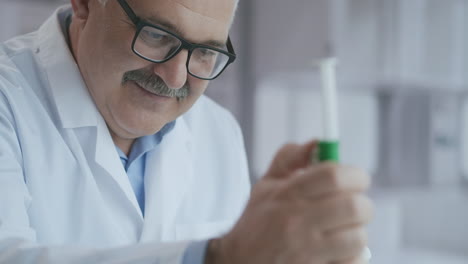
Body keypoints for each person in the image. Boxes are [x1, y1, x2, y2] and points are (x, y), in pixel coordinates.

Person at [0, 0, 373, 263]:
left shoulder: (218, 131)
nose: (176, 76)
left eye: (206, 52)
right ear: (84, 3)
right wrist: (220, 257)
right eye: (157, 36)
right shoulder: (9, 100)